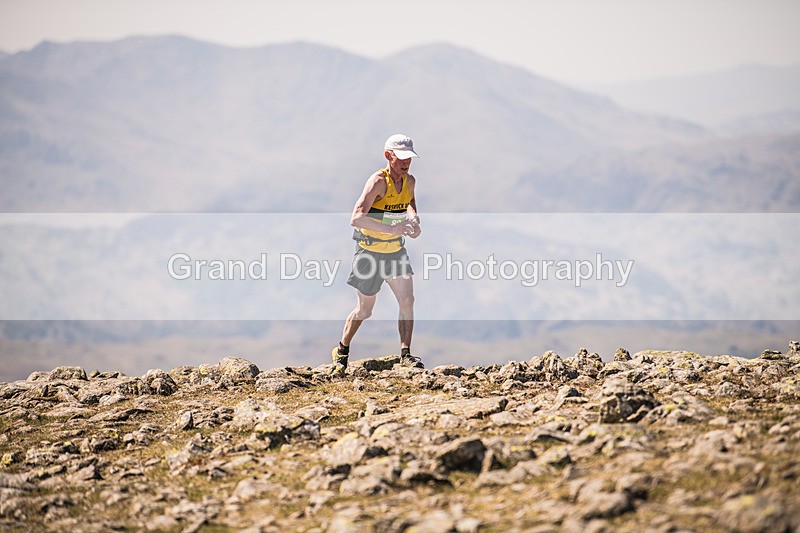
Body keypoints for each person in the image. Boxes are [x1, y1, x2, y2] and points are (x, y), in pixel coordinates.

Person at [331, 134, 423, 375]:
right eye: (401, 158)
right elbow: (356, 218)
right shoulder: (378, 182)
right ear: (388, 156)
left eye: (409, 158)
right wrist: (392, 228)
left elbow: (410, 202)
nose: (406, 163)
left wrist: (414, 220)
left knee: (407, 301)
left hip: (395, 251)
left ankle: (406, 354)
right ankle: (342, 349)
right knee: (365, 311)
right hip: (369, 253)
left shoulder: (410, 180)